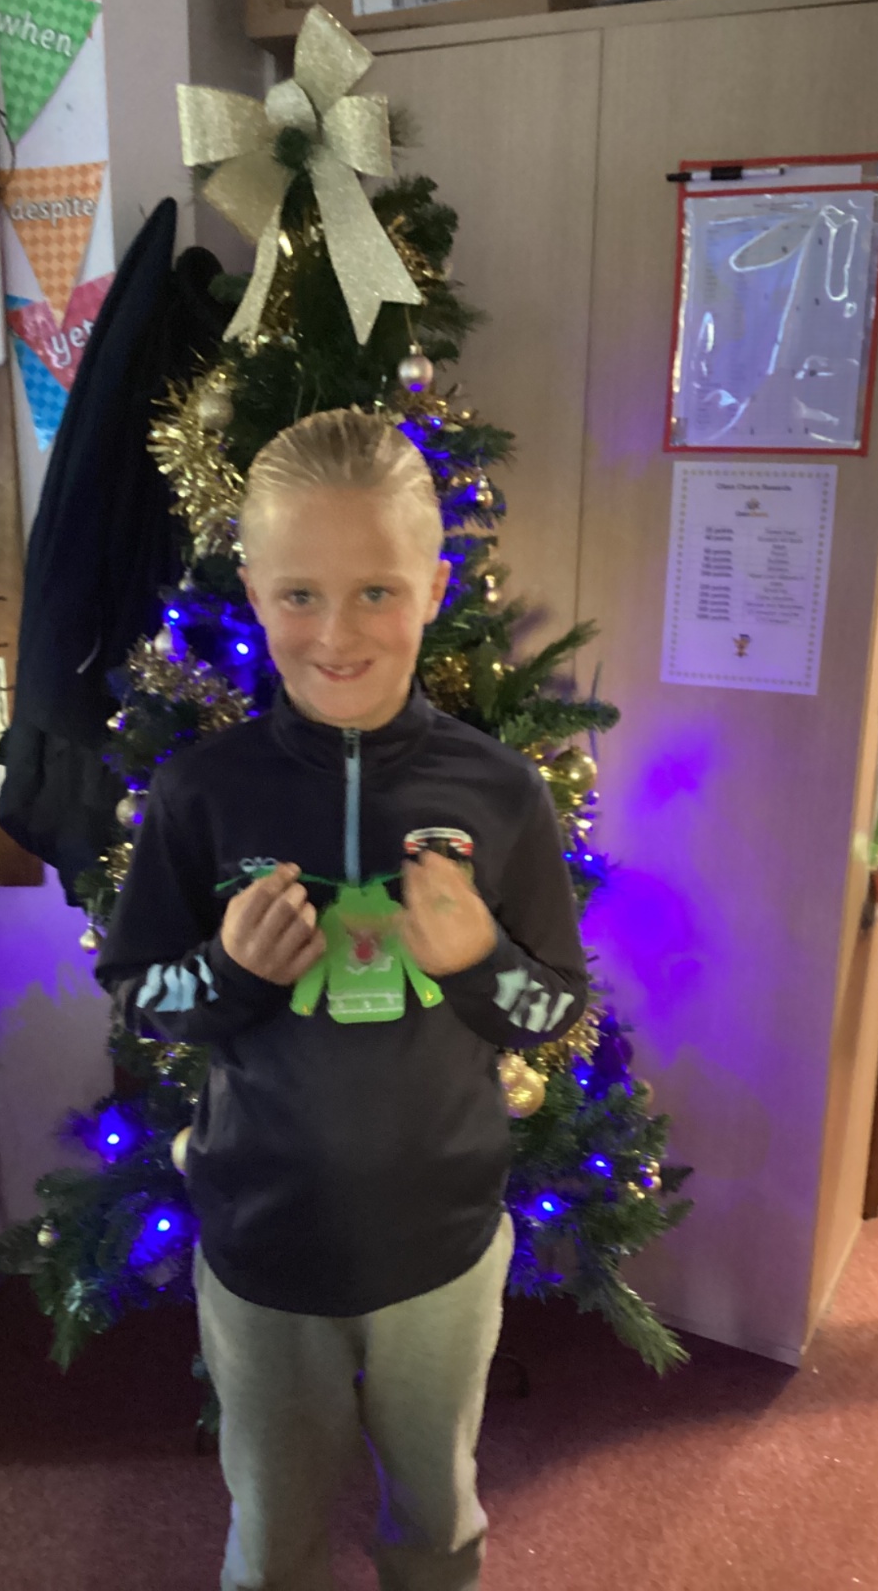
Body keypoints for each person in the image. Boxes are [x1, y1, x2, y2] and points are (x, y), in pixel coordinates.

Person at [95, 408, 588, 1591]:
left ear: (434, 588)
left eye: (377, 591)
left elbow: (554, 1012)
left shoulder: (500, 791)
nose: (336, 632)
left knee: (437, 1514)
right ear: (255, 593)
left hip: (443, 1240)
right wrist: (230, 973)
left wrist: (478, 956)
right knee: (274, 1532)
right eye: (300, 595)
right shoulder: (201, 793)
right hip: (264, 1240)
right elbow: (141, 997)